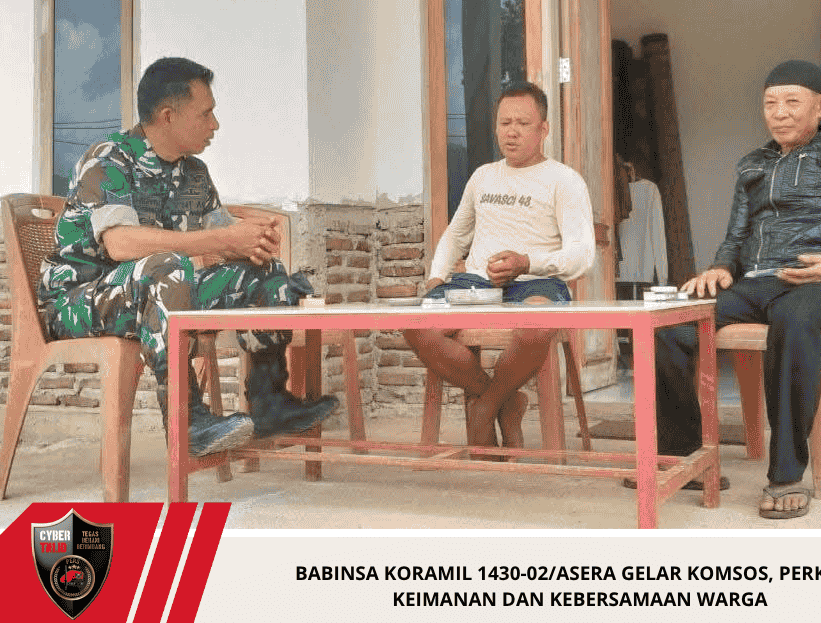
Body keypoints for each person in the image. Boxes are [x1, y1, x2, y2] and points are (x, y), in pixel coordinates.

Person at [37, 57, 337, 457]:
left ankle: (269, 402)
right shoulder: (109, 159)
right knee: (168, 266)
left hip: (157, 291)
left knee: (262, 272)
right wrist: (221, 238)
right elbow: (121, 245)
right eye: (206, 114)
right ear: (168, 116)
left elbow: (221, 241)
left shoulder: (194, 173)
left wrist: (250, 242)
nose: (215, 125)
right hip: (79, 301)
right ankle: (188, 420)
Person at [648, 60, 821, 518]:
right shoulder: (753, 164)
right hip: (756, 283)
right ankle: (683, 457)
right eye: (770, 104)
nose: (779, 113)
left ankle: (785, 475)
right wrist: (721, 267)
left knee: (793, 317)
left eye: (792, 102)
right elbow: (736, 236)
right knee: (669, 320)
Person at [404, 82, 595, 454]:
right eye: (505, 123)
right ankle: (504, 400)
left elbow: (582, 254)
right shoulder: (483, 176)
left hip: (537, 282)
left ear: (543, 129)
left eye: (523, 123)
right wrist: (436, 276)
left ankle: (485, 407)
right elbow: (456, 234)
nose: (512, 132)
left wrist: (527, 262)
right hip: (476, 282)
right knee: (416, 324)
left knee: (537, 324)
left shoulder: (564, 180)